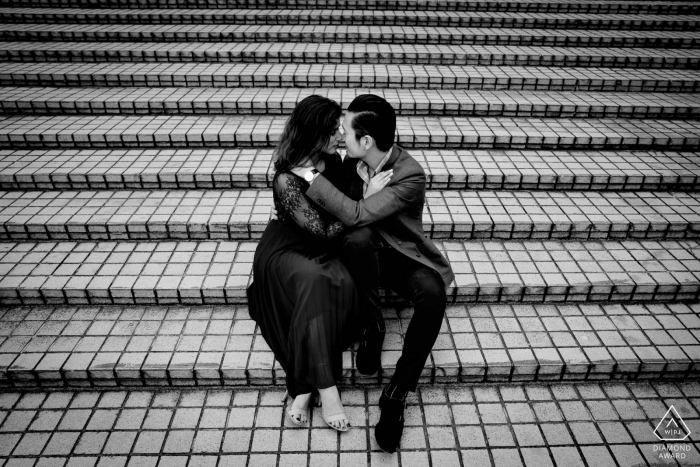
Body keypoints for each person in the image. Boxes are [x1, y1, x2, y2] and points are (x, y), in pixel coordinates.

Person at [296, 94, 455, 452]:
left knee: (433, 296)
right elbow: (344, 215)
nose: (340, 133)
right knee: (358, 238)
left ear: (365, 141)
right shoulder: (347, 161)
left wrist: (310, 177)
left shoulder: (408, 174)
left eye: (346, 129)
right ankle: (373, 326)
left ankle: (396, 394)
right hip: (361, 254)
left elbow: (354, 213)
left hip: (402, 256)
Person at [246, 95, 390, 432]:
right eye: (332, 131)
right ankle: (327, 390)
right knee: (314, 279)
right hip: (287, 251)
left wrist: (362, 196)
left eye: (339, 128)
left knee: (331, 282)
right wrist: (362, 206)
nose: (340, 135)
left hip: (326, 249)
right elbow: (324, 230)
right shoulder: (286, 179)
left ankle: (305, 387)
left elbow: (345, 207)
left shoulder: (332, 161)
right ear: (312, 134)